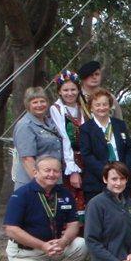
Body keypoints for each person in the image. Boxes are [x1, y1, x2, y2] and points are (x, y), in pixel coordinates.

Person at [0, 156, 88, 261]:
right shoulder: (22, 195)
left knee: (82, 244)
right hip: (27, 253)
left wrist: (64, 241)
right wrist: (42, 246)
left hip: (54, 249)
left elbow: (74, 224)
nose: (51, 174)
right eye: (47, 170)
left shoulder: (64, 194)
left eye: (56, 171)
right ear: (35, 172)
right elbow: (11, 230)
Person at [79, 88, 131, 202]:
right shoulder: (86, 129)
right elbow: (87, 155)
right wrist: (107, 174)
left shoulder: (119, 124)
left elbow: (129, 150)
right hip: (97, 181)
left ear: (110, 106)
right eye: (97, 105)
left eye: (105, 104)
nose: (101, 108)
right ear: (91, 108)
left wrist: (124, 171)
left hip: (122, 179)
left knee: (127, 214)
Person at [50, 70, 87, 220]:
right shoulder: (57, 109)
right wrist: (72, 169)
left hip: (86, 158)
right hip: (70, 159)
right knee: (73, 196)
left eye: (73, 89)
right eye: (65, 90)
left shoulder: (83, 107)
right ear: (59, 91)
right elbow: (64, 137)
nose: (70, 93)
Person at [13, 87, 64, 190]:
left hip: (52, 180)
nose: (39, 105)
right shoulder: (25, 125)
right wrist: (41, 185)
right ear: (28, 105)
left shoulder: (50, 122)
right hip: (33, 184)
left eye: (42, 101)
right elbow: (27, 159)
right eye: (35, 102)